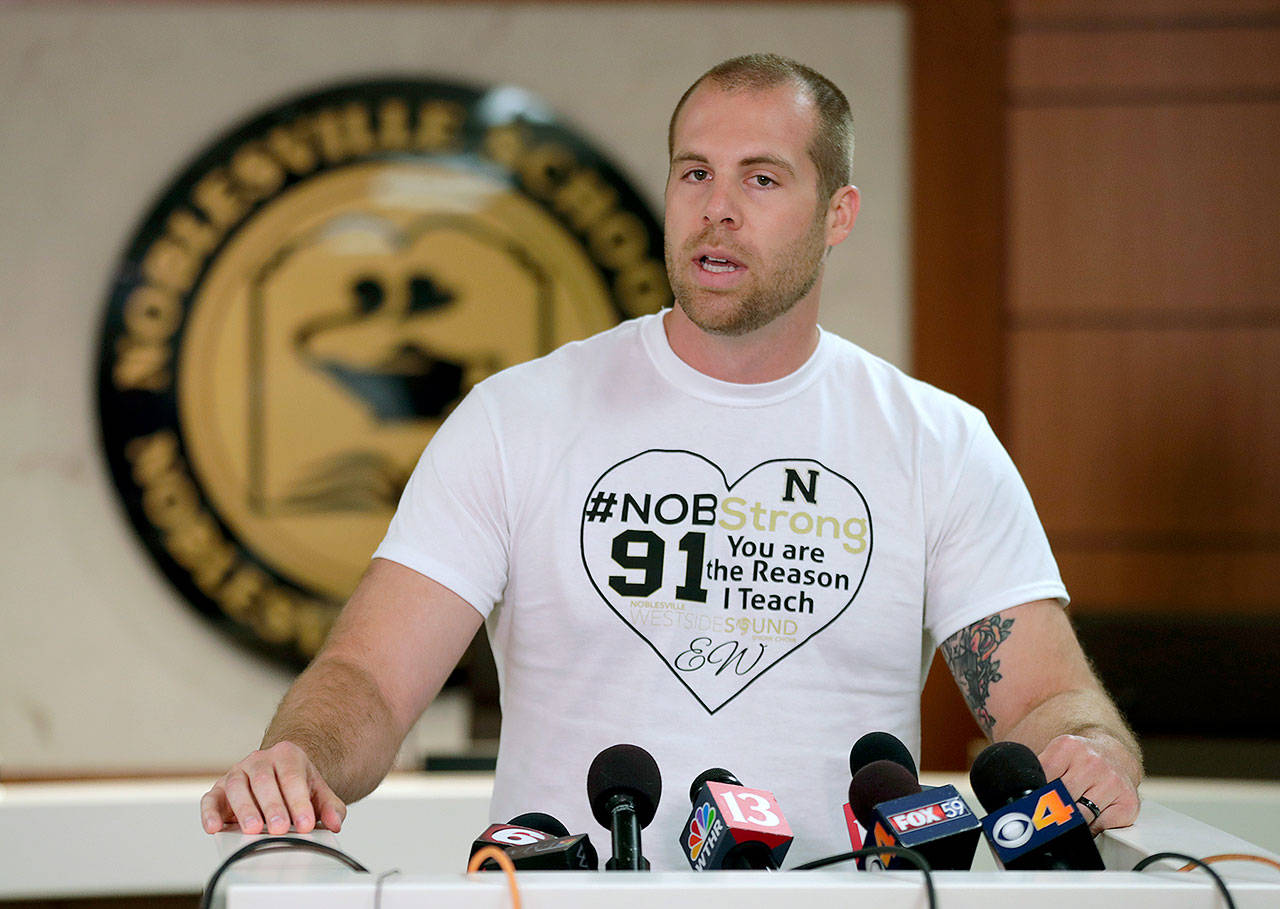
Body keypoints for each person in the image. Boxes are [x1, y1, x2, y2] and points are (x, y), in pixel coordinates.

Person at [201, 54, 1142, 868]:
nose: (717, 210)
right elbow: (368, 675)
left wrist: (1090, 745)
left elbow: (1045, 697)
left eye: (762, 180)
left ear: (839, 213)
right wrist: (300, 758)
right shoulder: (515, 419)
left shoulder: (936, 441)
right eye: (694, 173)